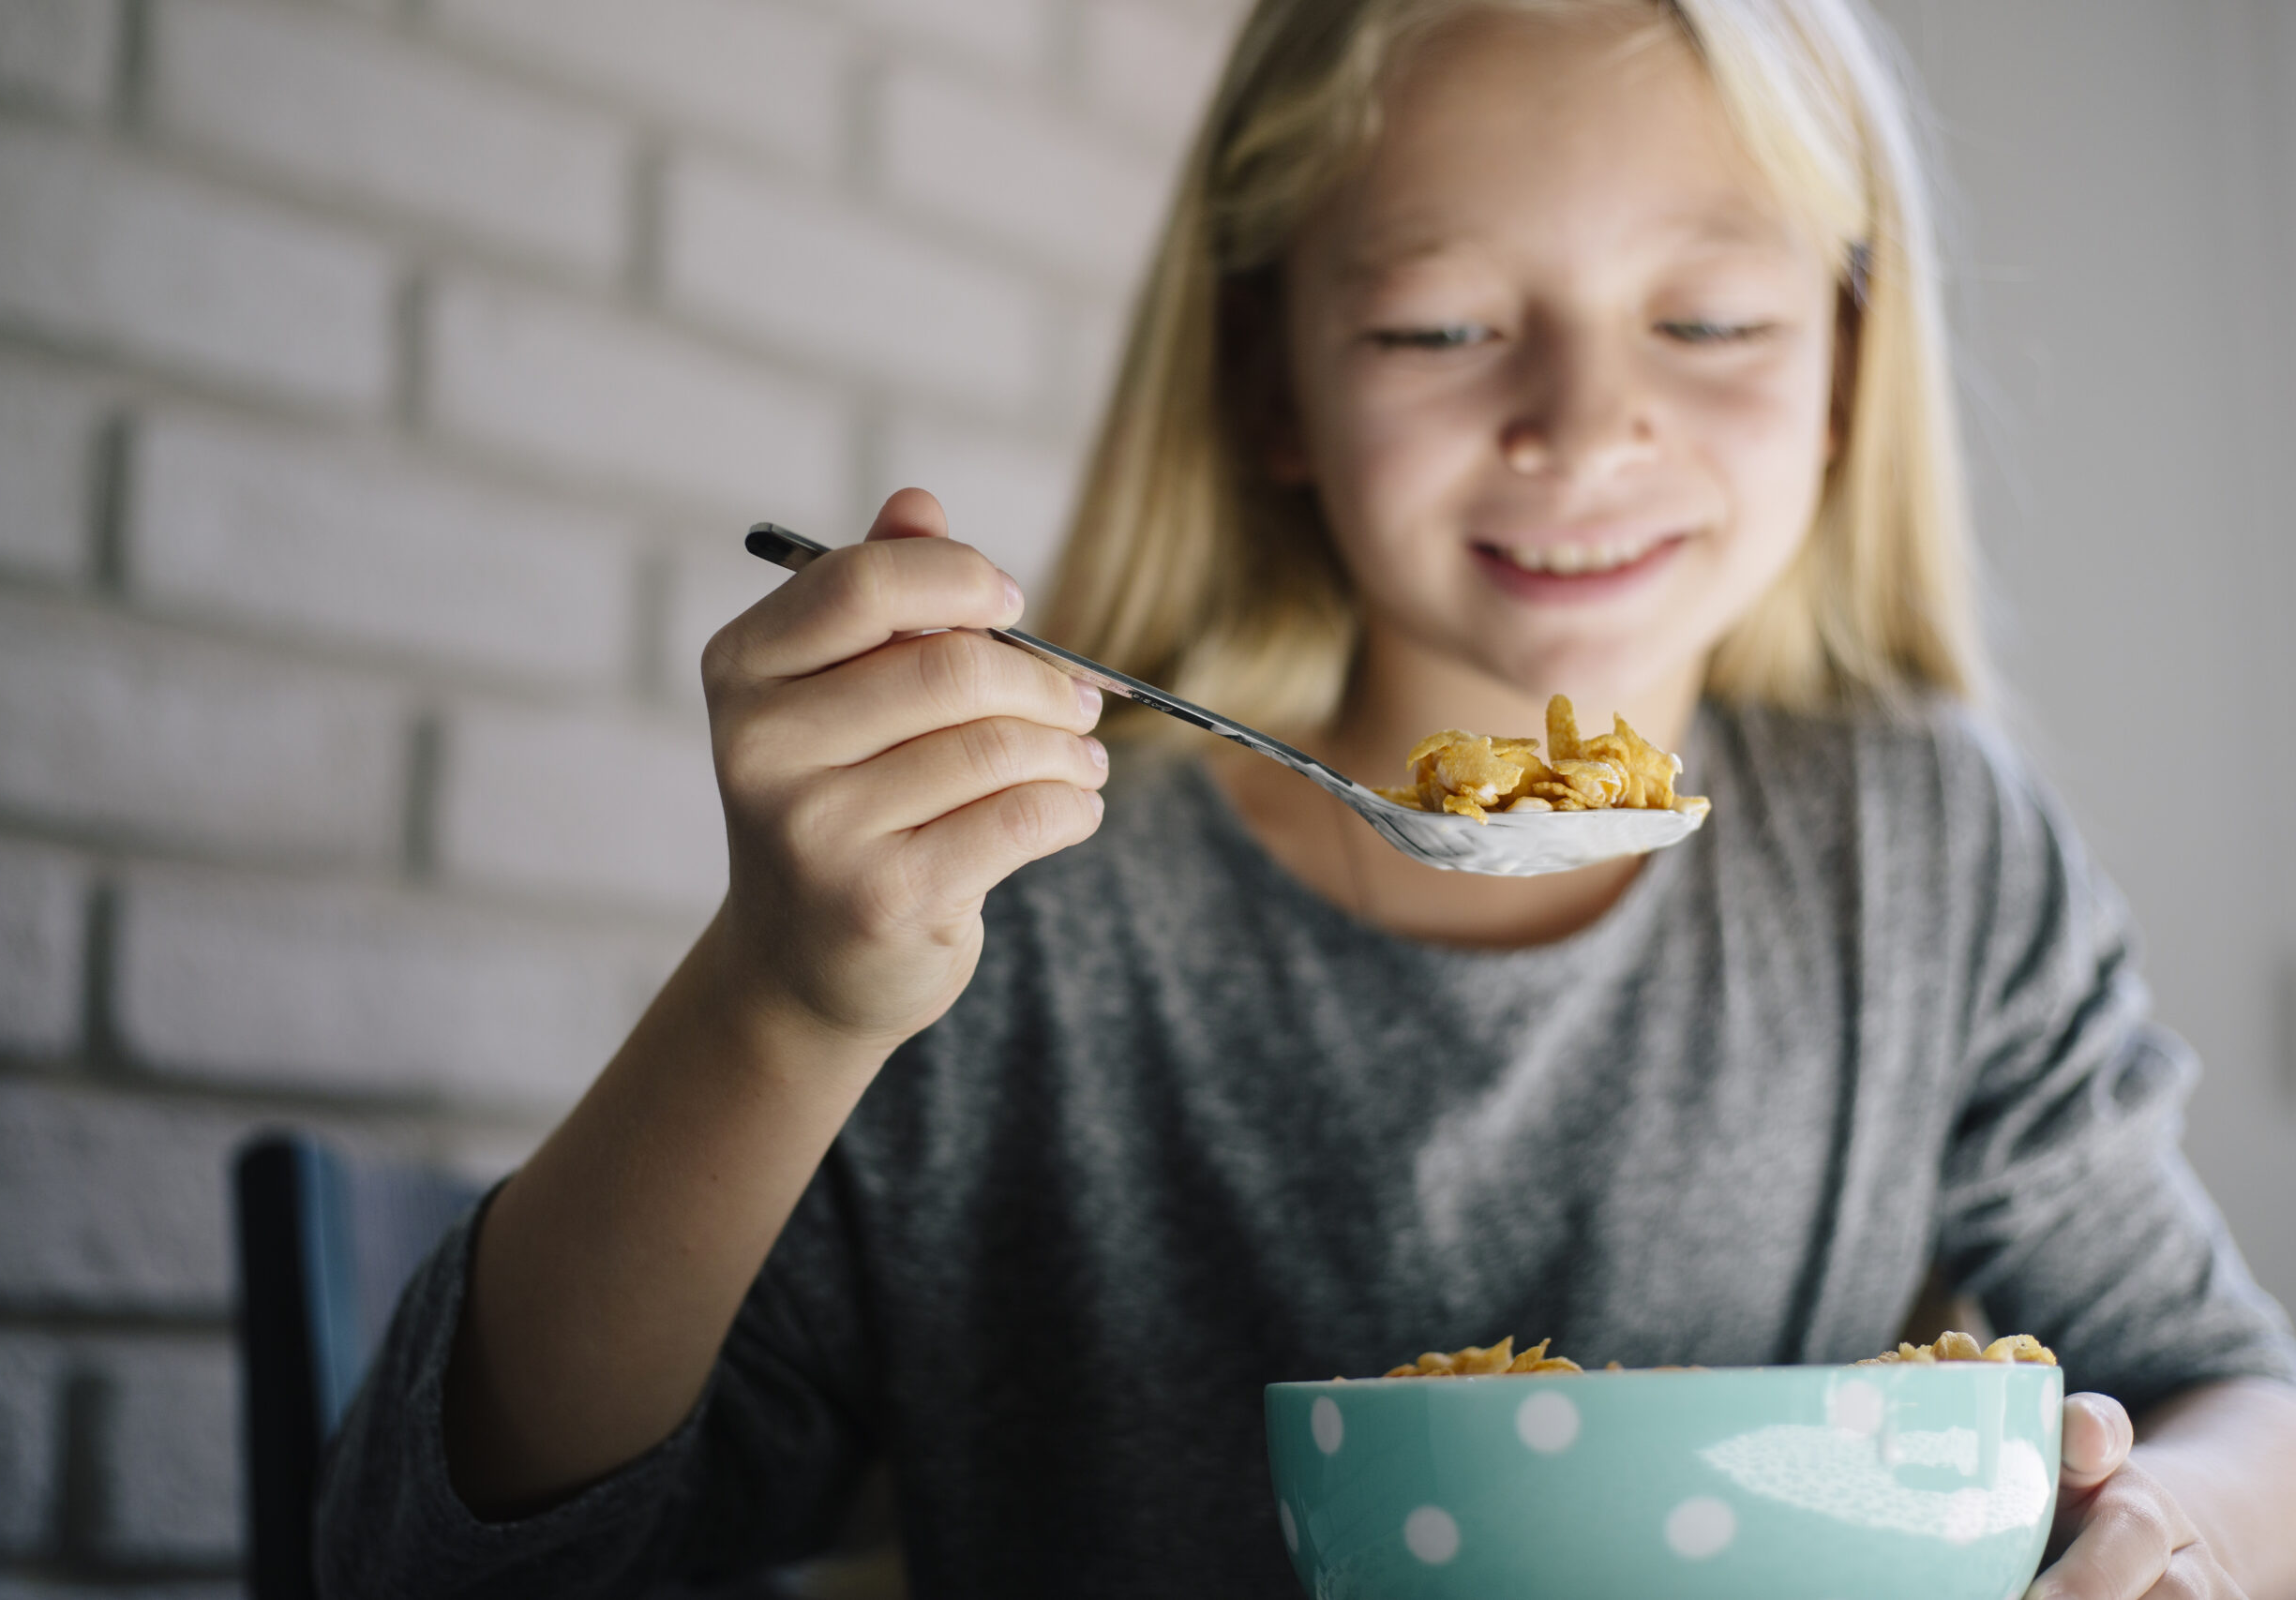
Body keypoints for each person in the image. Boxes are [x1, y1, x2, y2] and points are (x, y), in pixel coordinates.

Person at [315, 0, 2296, 1594]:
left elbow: (2233, 1391)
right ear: (1267, 378)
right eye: (1437, 324)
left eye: (1706, 320)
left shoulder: (1918, 855)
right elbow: (439, 1554)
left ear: (1849, 364)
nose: (1581, 419)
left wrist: (2172, 1532)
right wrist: (780, 995)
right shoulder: (1012, 896)